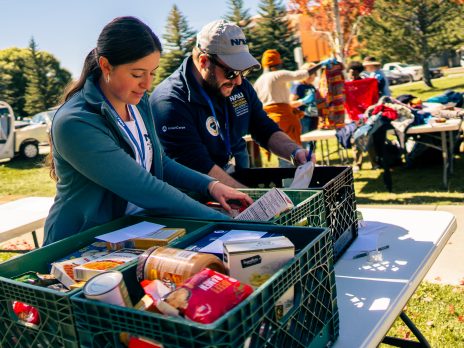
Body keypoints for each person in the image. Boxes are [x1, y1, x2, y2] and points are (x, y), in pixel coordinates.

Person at [44, 17, 252, 245]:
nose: (147, 84)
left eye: (152, 73)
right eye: (137, 74)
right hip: (80, 244)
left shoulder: (138, 102)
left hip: (131, 234)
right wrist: (224, 221)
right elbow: (144, 187)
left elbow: (159, 161)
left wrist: (211, 186)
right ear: (105, 66)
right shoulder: (75, 122)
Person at [150, 20, 314, 188]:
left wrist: (295, 152)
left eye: (243, 71)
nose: (238, 80)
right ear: (204, 61)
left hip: (236, 174)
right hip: (195, 195)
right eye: (231, 72)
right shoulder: (170, 102)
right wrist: (251, 199)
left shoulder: (238, 85)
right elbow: (196, 165)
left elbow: (262, 126)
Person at [289, 62, 319, 135]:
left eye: (313, 74)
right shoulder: (298, 86)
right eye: (308, 74)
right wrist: (303, 101)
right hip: (303, 118)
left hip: (314, 116)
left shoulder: (312, 86)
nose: (311, 76)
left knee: (313, 142)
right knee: (305, 142)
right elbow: (290, 103)